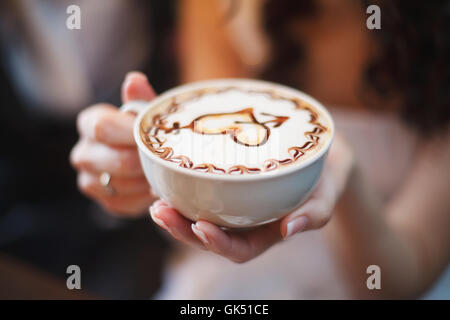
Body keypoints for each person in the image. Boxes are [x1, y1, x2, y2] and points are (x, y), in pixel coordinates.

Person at [71, 0, 450, 298]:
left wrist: (343, 179)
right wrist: (133, 174)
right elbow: (208, 179)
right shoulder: (233, 7)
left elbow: (397, 282)